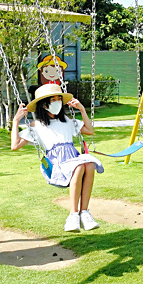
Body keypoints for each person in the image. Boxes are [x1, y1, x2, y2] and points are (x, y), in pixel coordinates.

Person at [11, 83, 101, 232]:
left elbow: (89, 131)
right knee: (79, 167)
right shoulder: (36, 125)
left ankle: (84, 213)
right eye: (53, 100)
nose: (57, 102)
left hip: (73, 157)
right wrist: (16, 121)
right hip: (57, 164)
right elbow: (15, 145)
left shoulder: (67, 121)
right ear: (44, 105)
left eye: (59, 99)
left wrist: (82, 110)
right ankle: (73, 215)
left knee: (89, 164)